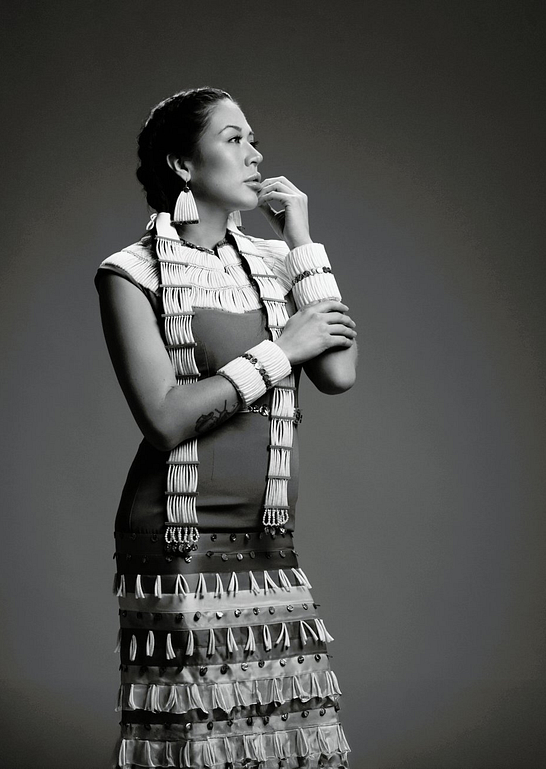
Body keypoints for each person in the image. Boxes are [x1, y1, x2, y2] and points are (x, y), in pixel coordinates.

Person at [95, 87, 357, 769]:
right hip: (178, 534)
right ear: (184, 163)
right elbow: (164, 418)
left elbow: (339, 371)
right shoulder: (131, 272)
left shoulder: (276, 261)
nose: (255, 154)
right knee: (198, 740)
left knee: (281, 737)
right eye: (234, 138)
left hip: (269, 535)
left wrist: (301, 240)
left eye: (253, 140)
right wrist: (281, 351)